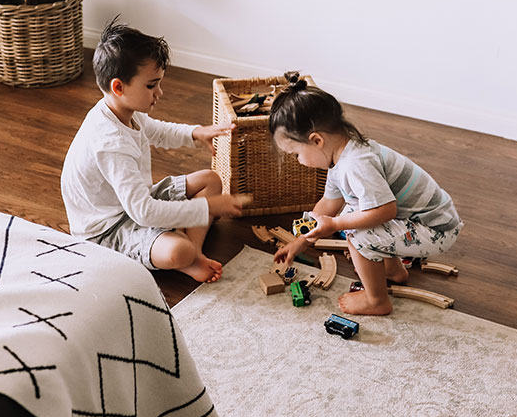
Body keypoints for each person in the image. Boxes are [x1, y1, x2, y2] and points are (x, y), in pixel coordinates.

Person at [61, 19, 248, 283]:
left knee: (211, 179)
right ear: (118, 87)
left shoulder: (123, 110)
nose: (159, 92)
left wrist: (196, 132)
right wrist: (205, 208)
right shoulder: (110, 143)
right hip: (109, 229)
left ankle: (194, 253)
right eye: (151, 85)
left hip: (134, 202)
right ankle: (187, 254)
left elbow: (158, 131)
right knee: (177, 249)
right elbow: (144, 213)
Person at [271, 78, 462, 315]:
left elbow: (385, 212)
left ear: (316, 140)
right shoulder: (340, 157)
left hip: (435, 229)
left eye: (296, 154)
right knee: (353, 212)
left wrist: (336, 224)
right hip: (421, 219)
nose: (298, 161)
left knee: (356, 231)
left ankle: (376, 300)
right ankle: (392, 271)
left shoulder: (356, 164)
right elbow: (329, 204)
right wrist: (299, 241)